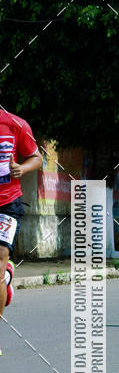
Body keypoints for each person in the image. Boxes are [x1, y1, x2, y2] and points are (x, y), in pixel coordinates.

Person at [0, 107, 43, 350]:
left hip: (6, 203)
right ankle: (6, 277)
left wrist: (22, 169)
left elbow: (36, 157)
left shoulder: (16, 124)